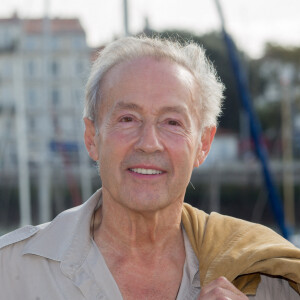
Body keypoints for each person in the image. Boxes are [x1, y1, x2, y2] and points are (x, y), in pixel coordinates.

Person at [1, 36, 300, 300]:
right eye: (128, 119)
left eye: (172, 122)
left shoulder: (271, 280)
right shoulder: (10, 273)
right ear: (92, 138)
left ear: (203, 144)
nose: (149, 143)